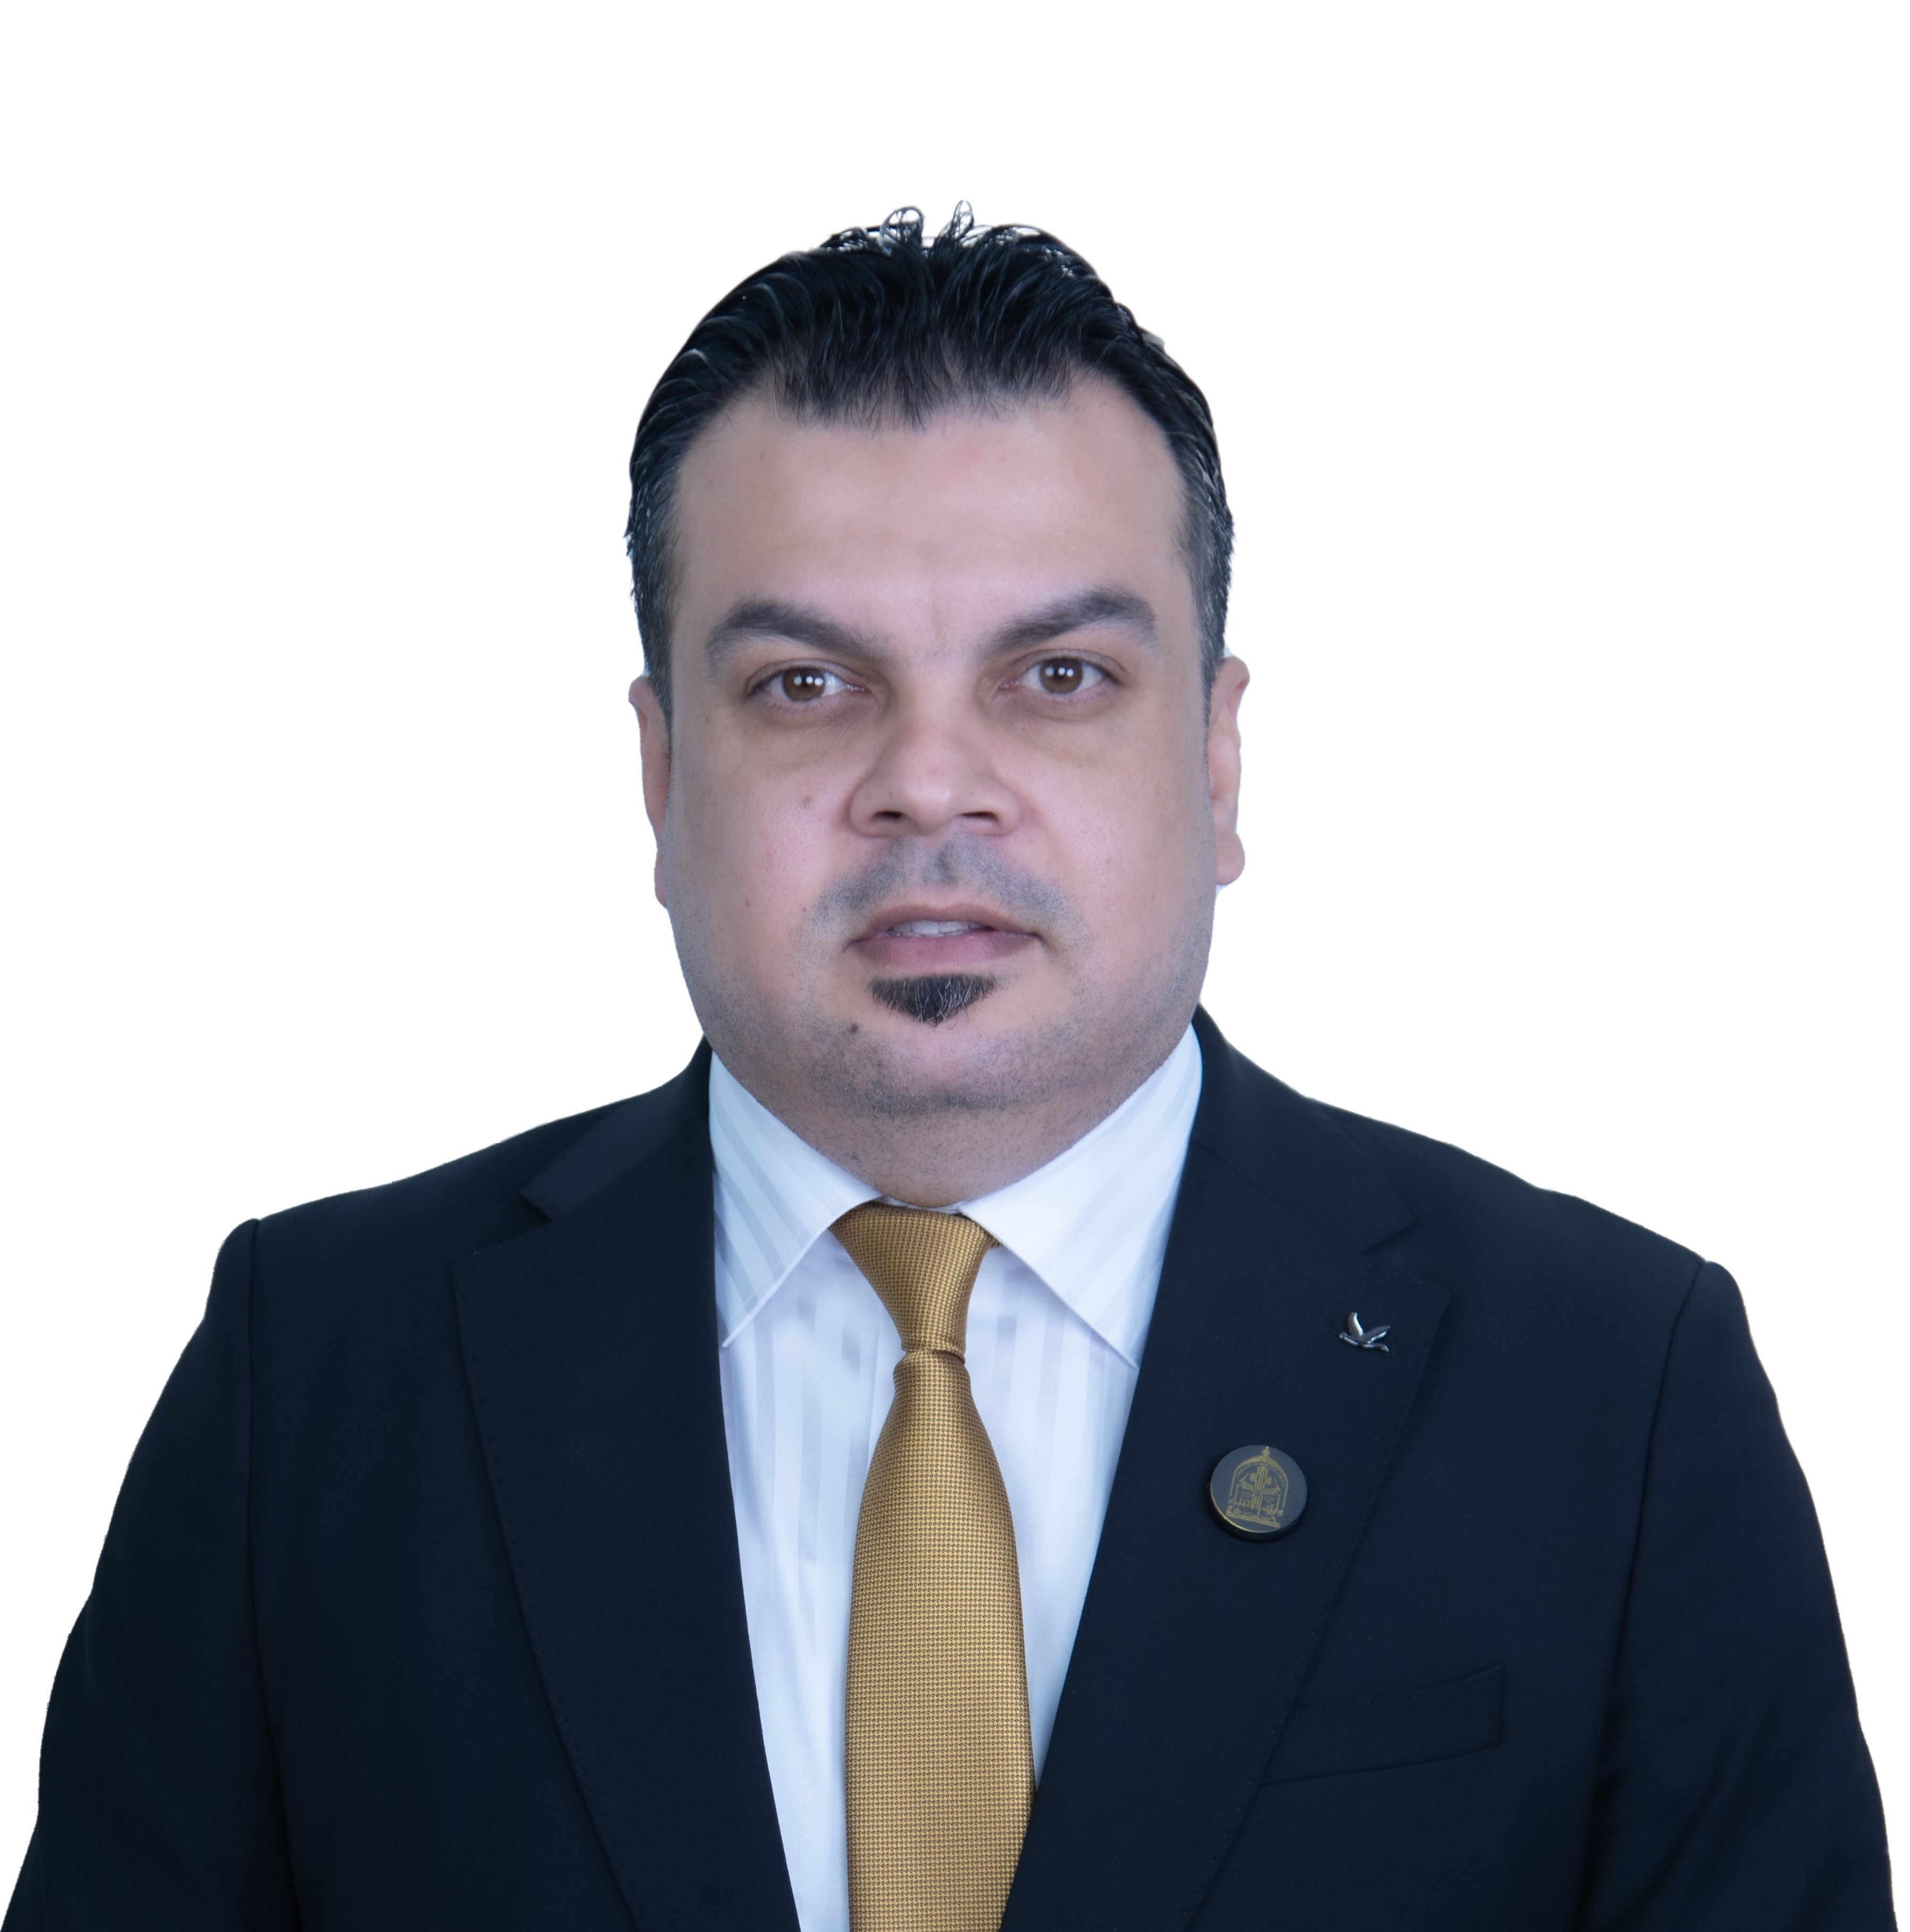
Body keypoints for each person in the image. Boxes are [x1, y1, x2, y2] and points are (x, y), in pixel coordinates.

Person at [3, 207, 1891, 1932]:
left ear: (1217, 757)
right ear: (660, 773)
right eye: (806, 685)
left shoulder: (1616, 1391)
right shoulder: (315, 1378)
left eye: (1057, 677)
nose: (928, 783)